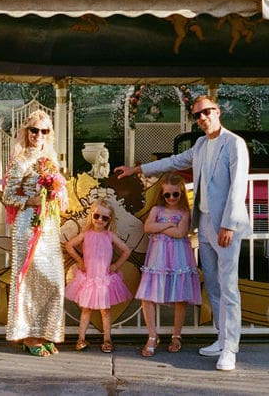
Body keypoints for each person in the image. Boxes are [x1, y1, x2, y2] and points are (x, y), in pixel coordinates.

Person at [115, 95, 249, 371]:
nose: (202, 118)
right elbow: (174, 161)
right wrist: (137, 169)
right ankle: (221, 338)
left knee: (228, 286)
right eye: (197, 114)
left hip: (225, 225)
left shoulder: (234, 143)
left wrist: (230, 224)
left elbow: (238, 187)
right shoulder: (200, 144)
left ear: (218, 111)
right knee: (212, 284)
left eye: (206, 112)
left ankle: (231, 349)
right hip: (206, 224)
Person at [2, 109, 68, 357]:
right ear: (26, 131)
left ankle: (45, 332)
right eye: (34, 130)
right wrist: (29, 201)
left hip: (49, 226)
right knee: (29, 280)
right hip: (27, 225)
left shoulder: (51, 159)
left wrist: (57, 192)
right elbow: (8, 195)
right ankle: (28, 335)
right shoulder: (20, 161)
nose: (38, 135)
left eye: (44, 131)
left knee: (52, 280)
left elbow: (60, 191)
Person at [134, 171, 201, 357]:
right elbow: (148, 227)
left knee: (180, 297)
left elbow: (181, 233)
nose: (171, 198)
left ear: (181, 193)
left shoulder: (184, 212)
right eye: (167, 194)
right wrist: (169, 226)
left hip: (178, 256)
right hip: (158, 257)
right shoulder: (156, 210)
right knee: (148, 295)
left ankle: (176, 334)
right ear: (161, 195)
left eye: (175, 194)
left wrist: (161, 227)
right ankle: (152, 335)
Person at [64, 197, 133, 353]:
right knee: (86, 310)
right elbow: (69, 245)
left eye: (104, 217)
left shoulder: (110, 236)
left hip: (104, 280)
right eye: (96, 216)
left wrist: (116, 265)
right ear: (91, 216)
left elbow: (126, 250)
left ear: (109, 220)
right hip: (88, 278)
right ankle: (81, 339)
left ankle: (107, 339)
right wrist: (79, 259)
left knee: (105, 311)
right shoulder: (86, 234)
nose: (100, 220)